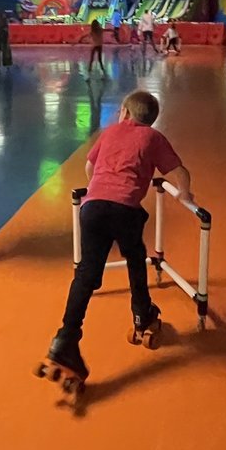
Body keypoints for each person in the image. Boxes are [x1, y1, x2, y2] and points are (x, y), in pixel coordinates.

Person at [35, 90, 193, 393]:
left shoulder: (110, 133)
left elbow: (89, 168)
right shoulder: (153, 138)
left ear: (124, 112)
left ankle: (65, 339)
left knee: (87, 274)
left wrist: (100, 185)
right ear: (150, 119)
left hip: (92, 208)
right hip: (124, 209)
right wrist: (185, 193)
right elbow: (179, 171)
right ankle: (142, 312)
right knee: (135, 256)